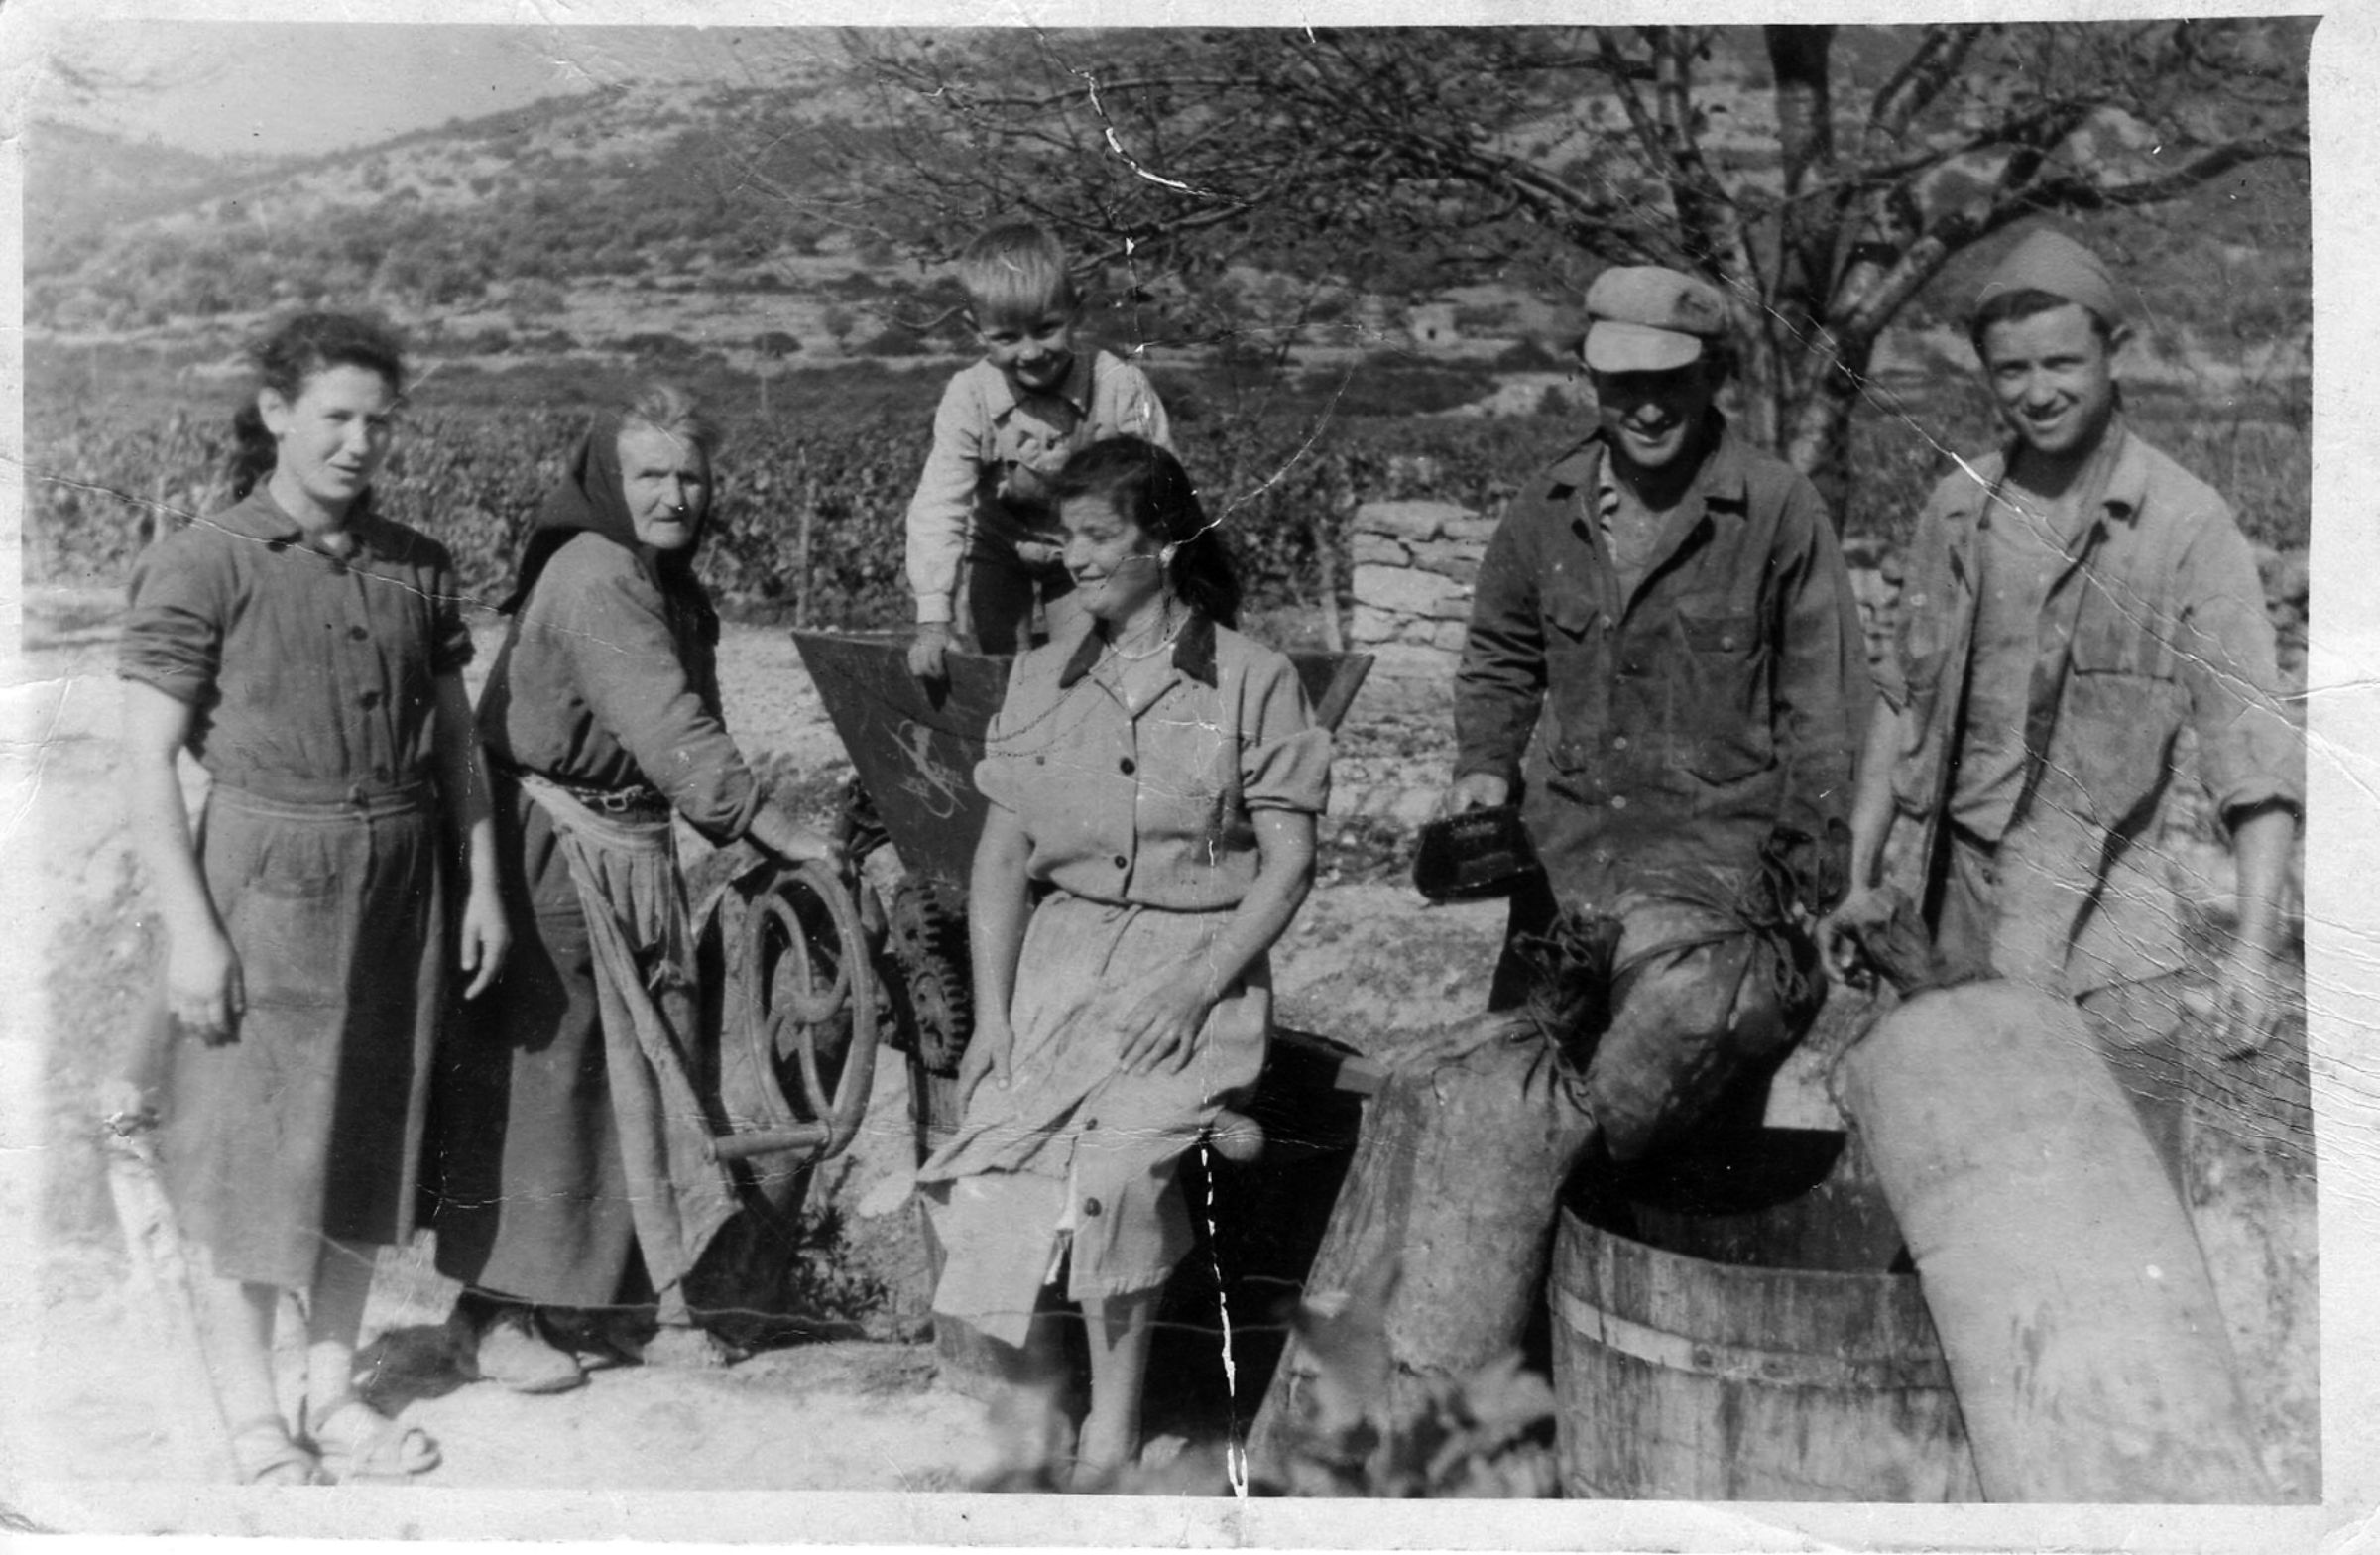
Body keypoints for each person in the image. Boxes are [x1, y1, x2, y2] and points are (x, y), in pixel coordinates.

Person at [1817, 228, 2303, 1180]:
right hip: (1951, 916)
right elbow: (1900, 700)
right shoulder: (1957, 510)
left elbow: (2254, 758)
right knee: (1943, 1189)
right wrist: (1860, 876)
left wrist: (2251, 952)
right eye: (2012, 370)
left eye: (2062, 364)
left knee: (2126, 1202)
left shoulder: (2186, 525)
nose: (2037, 392)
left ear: (2114, 354)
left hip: (2111, 934)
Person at [120, 311, 508, 1485]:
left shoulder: (417, 564)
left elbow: (457, 745)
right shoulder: (207, 560)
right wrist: (194, 934)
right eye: (335, 416)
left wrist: (483, 885)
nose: (358, 443)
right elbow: (146, 762)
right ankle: (254, 1414)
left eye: (377, 422)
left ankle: (333, 1396)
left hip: (398, 892)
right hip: (264, 888)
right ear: (277, 412)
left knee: (365, 1147)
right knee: (251, 1158)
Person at [917, 435, 1330, 1479]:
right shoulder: (1042, 673)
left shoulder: (1254, 679)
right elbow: (1000, 854)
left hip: (1197, 972)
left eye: (1100, 536)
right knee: (992, 1158)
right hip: (1063, 966)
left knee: (1116, 1167)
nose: (1077, 558)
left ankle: (1114, 1417)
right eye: (1068, 537)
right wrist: (995, 1020)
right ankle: (1039, 1399)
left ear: (1166, 542)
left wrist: (1194, 990)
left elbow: (1287, 865)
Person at [426, 385, 842, 1392]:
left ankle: (591, 1302)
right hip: (556, 848)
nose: (674, 494)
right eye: (649, 474)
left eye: (690, 475)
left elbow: (689, 723)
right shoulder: (597, 572)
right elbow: (668, 726)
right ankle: (490, 1316)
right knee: (551, 1079)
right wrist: (779, 828)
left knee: (626, 1084)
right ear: (609, 483)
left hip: (627, 845)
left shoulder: (665, 582)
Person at [902, 222, 1172, 680]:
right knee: (1002, 669)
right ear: (976, 330)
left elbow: (1162, 493)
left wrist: (1163, 590)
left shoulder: (1119, 385)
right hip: (998, 548)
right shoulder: (969, 395)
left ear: (1076, 310)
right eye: (1007, 338)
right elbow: (940, 503)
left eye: (1047, 329)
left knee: (1080, 669)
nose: (1030, 353)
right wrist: (933, 618)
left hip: (1082, 551)